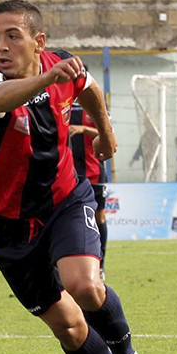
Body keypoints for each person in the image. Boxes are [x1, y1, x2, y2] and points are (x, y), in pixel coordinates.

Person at [0, 0, 165, 354]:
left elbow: (89, 87)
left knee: (85, 285)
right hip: (9, 227)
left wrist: (106, 136)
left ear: (39, 41)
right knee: (70, 328)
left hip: (64, 199)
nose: (0, 46)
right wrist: (46, 78)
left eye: (12, 36)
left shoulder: (61, 65)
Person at [68, 105, 109, 280]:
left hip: (94, 173)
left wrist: (84, 129)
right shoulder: (62, 102)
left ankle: (100, 265)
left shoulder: (94, 105)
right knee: (69, 218)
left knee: (99, 217)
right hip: (69, 174)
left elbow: (108, 133)